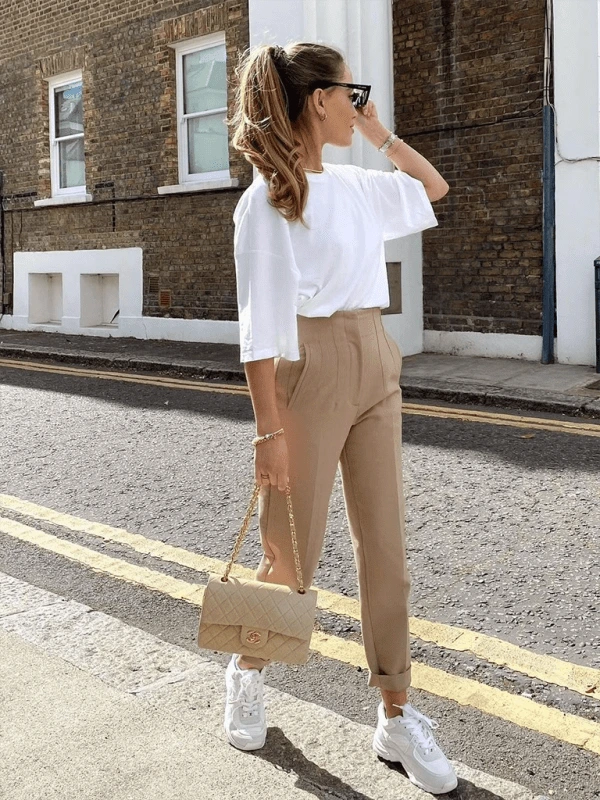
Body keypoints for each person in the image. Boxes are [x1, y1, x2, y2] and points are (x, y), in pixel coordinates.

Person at [223, 41, 456, 796]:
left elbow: (434, 185)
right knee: (291, 554)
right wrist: (268, 430)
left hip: (374, 358)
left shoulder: (357, 184)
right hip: (307, 368)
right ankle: (248, 668)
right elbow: (259, 328)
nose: (358, 103)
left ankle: (395, 711)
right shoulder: (269, 197)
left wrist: (382, 130)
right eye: (349, 93)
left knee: (385, 548)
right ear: (316, 99)